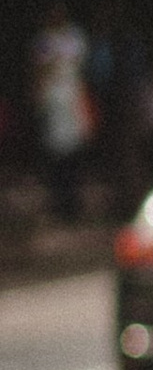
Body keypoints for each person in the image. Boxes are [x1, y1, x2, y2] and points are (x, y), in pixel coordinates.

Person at [30, 13, 95, 225]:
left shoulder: (75, 38)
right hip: (53, 103)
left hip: (72, 102)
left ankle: (72, 203)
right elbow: (39, 71)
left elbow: (81, 72)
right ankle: (58, 202)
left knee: (74, 154)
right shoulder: (44, 41)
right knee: (55, 155)